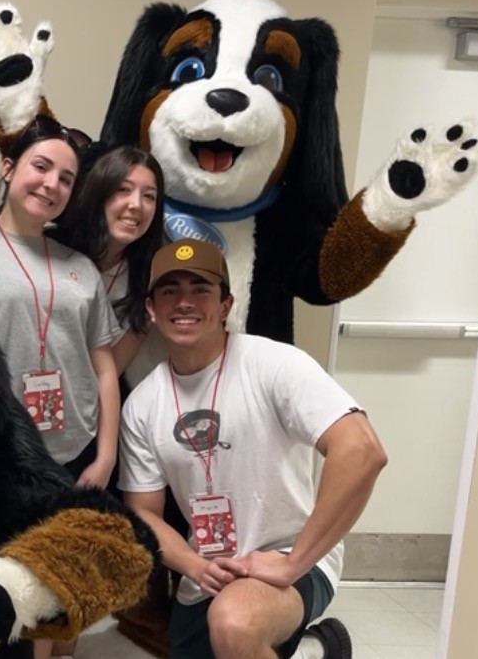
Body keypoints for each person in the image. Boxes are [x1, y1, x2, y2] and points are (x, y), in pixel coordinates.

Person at [118, 238, 388, 659]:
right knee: (219, 631)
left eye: (200, 289)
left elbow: (362, 451)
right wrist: (195, 565)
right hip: (209, 569)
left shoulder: (275, 365)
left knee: (234, 623)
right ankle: (311, 651)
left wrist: (293, 562)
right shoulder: (142, 405)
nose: (184, 302)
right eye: (170, 290)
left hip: (290, 558)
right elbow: (143, 513)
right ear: (151, 309)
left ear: (226, 305)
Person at [0, 115, 122, 659]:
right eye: (42, 167)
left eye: (66, 178)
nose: (52, 184)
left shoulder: (79, 266)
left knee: (52, 596)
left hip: (71, 454)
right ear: (10, 167)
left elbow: (104, 364)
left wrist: (105, 455)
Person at [51, 144, 167, 393]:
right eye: (123, 190)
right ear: (99, 193)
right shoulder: (51, 249)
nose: (136, 205)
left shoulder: (147, 278)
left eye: (149, 196)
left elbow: (110, 370)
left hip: (83, 403)